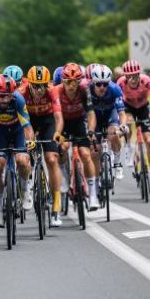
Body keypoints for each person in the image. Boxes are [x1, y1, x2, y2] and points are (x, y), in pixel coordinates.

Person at [0, 74, 35, 227]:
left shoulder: (18, 99)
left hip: (17, 131)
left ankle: (25, 190)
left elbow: (27, 126)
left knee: (22, 160)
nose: (5, 100)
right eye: (1, 96)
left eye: (8, 96)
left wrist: (30, 140)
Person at [19, 66, 64, 226]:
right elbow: (21, 121)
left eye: (43, 85)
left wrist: (58, 133)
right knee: (25, 156)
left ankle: (56, 206)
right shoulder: (22, 92)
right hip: (28, 121)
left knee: (52, 159)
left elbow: (58, 116)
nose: (40, 89)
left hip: (47, 121)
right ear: (29, 84)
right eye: (36, 86)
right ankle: (27, 184)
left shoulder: (52, 91)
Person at [55, 63, 98, 210]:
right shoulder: (57, 91)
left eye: (74, 82)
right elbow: (56, 115)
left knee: (86, 154)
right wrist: (57, 134)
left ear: (79, 81)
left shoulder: (84, 90)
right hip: (63, 122)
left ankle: (93, 195)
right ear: (63, 81)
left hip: (79, 121)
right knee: (63, 147)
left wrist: (91, 131)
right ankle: (65, 179)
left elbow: (91, 113)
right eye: (67, 82)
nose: (71, 85)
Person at [117, 60, 150, 191]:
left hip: (143, 108)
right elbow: (117, 103)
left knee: (149, 139)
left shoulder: (146, 81)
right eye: (129, 76)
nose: (132, 79)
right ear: (125, 76)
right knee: (128, 124)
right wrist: (122, 118)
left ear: (139, 74)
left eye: (135, 76)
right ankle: (128, 148)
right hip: (128, 107)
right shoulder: (120, 83)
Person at [86, 65, 128, 185]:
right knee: (95, 150)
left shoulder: (115, 89)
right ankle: (97, 178)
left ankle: (117, 163)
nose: (102, 87)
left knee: (114, 134)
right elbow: (86, 114)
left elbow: (121, 112)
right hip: (95, 118)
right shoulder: (87, 91)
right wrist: (89, 130)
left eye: (105, 84)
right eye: (99, 84)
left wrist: (123, 125)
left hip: (110, 114)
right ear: (93, 82)